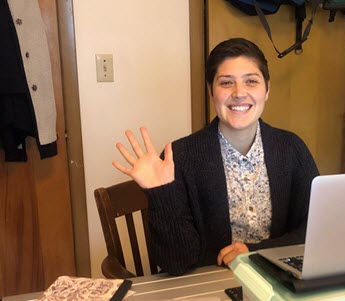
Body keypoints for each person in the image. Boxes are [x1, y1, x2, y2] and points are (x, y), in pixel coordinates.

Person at [113, 38, 319, 275]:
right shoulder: (180, 157)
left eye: (251, 81)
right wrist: (161, 193)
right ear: (211, 91)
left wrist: (256, 251)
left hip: (277, 279)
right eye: (226, 82)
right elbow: (177, 264)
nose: (239, 93)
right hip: (209, 287)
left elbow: (315, 228)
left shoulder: (291, 148)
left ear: (267, 90)